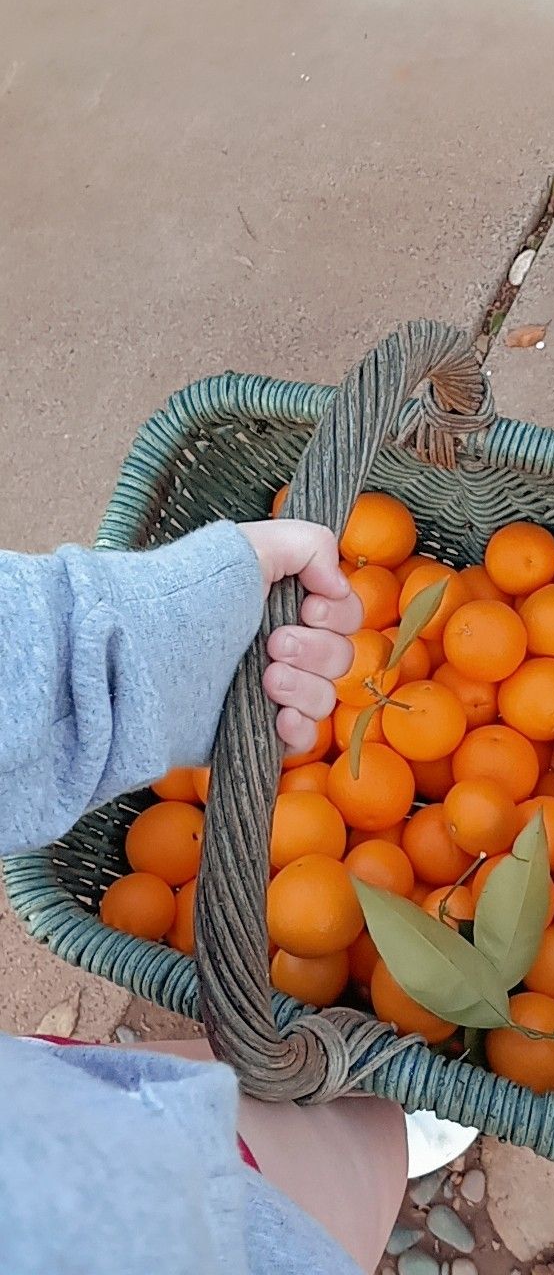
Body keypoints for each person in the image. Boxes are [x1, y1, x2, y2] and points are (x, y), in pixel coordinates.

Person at [0, 518, 408, 1275]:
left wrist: (171, 644)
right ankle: (360, 1118)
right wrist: (161, 637)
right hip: (131, 1207)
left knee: (261, 1087)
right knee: (375, 1126)